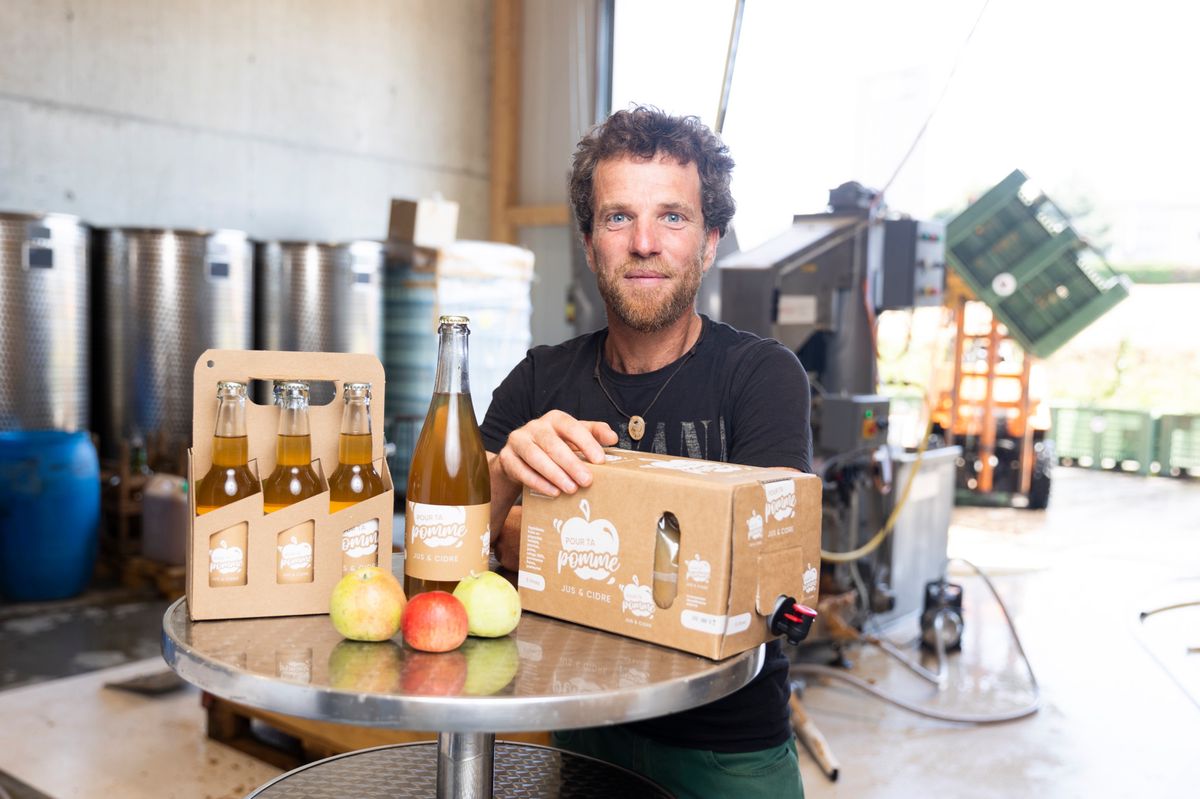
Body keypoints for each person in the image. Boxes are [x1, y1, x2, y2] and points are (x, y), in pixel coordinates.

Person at [481, 105, 811, 799]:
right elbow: (447, 540)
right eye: (618, 217)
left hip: (726, 748)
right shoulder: (540, 379)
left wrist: (537, 540)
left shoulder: (761, 376)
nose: (644, 242)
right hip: (581, 726)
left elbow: (756, 569)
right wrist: (509, 471)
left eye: (673, 217)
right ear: (589, 240)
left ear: (710, 240)